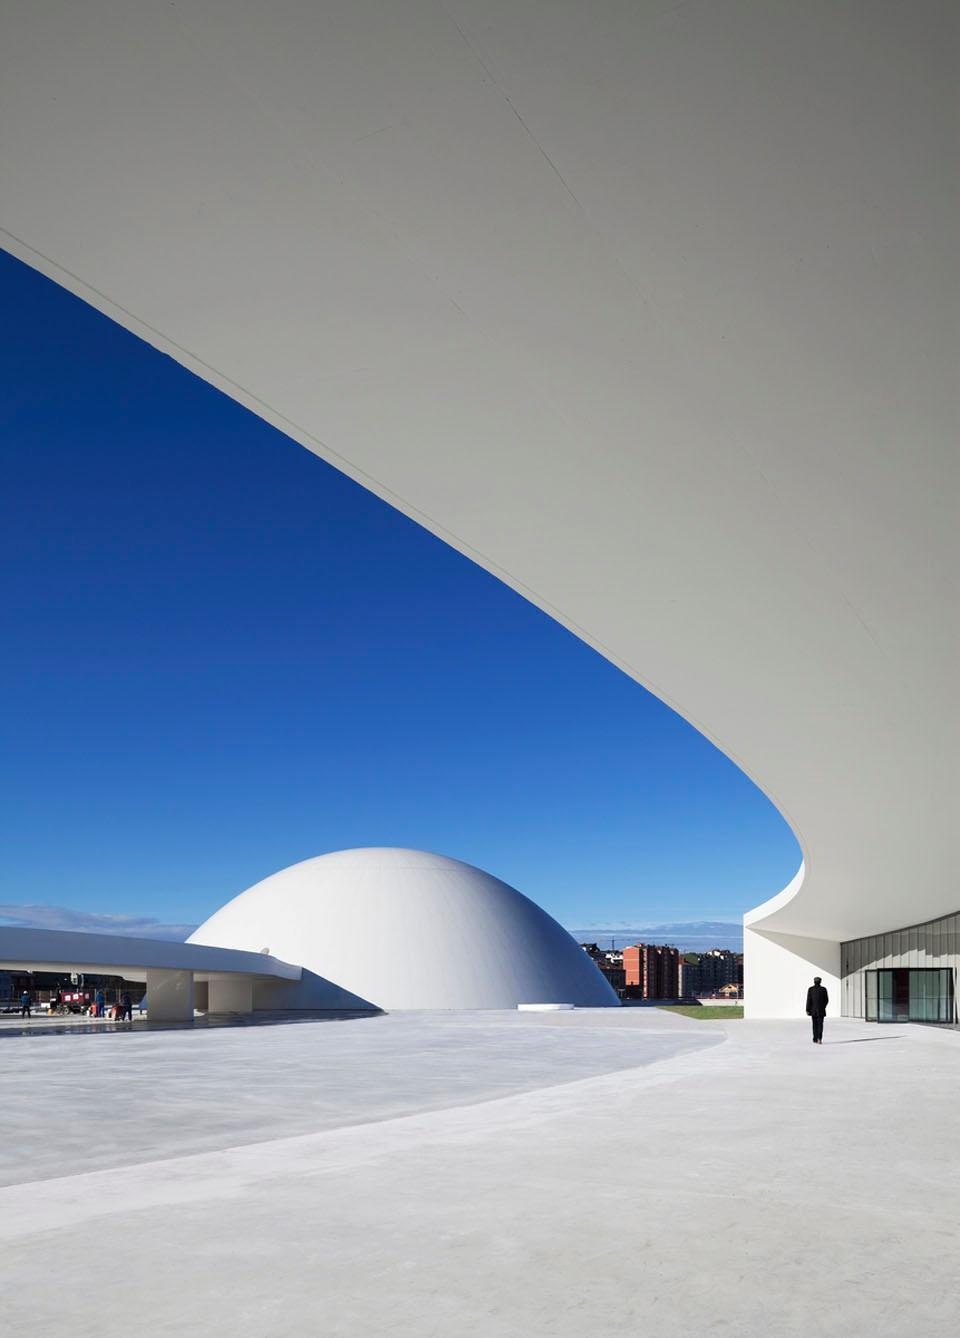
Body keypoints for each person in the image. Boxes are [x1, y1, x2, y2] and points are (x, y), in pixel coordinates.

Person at [806, 975, 829, 1043]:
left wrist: (807, 1009)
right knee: (820, 1025)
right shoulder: (824, 989)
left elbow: (809, 1000)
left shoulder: (811, 989)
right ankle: (819, 1038)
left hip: (813, 1011)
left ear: (814, 982)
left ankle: (815, 1038)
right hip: (821, 1010)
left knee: (814, 1025)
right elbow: (826, 1000)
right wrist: (823, 1006)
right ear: (820, 982)